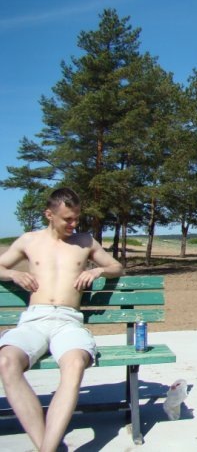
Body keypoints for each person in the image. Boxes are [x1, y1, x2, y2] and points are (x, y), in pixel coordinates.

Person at [0, 188, 123, 452]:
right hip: (34, 320)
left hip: (68, 321)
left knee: (75, 364)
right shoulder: (29, 241)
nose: (73, 223)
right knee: (6, 361)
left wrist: (99, 270)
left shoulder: (85, 241)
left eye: (76, 217)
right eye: (68, 218)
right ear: (49, 214)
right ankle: (48, 447)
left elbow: (117, 267)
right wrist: (12, 274)